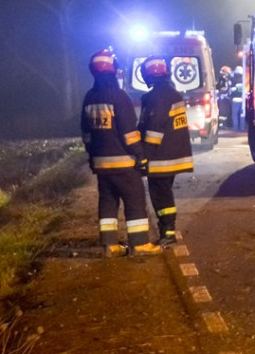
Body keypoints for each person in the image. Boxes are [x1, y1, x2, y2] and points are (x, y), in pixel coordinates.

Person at [80, 48, 162, 257]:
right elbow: (129, 132)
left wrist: (92, 157)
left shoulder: (89, 97)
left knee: (107, 202)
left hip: (101, 165)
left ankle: (109, 246)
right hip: (124, 164)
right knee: (135, 201)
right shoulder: (119, 96)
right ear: (114, 71)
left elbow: (86, 133)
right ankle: (140, 244)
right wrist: (140, 155)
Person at [137, 55, 195, 247]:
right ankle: (167, 231)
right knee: (164, 193)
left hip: (161, 156)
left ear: (148, 75)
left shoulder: (156, 97)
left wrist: (144, 155)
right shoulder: (172, 93)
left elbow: (154, 129)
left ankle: (167, 233)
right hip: (173, 154)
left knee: (160, 195)